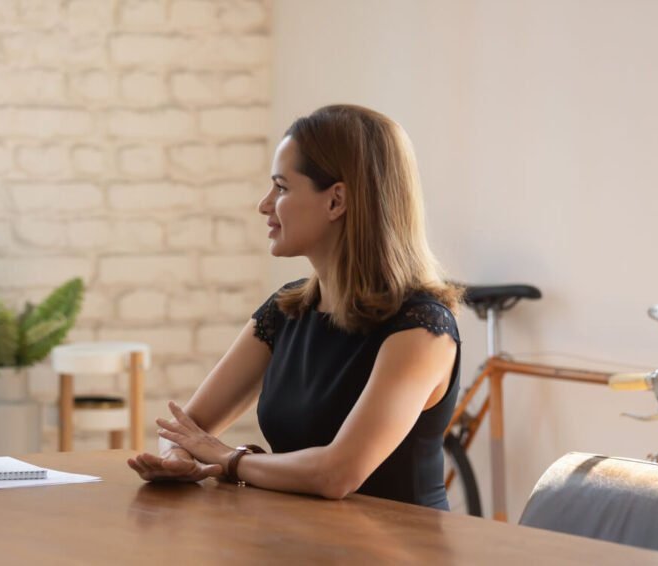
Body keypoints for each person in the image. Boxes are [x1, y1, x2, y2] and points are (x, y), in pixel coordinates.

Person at [128, 104, 461, 509]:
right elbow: (187, 428)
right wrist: (179, 457)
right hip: (303, 541)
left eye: (282, 188)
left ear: (336, 201)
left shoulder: (422, 328)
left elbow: (336, 474)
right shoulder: (286, 310)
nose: (264, 205)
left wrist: (228, 459)